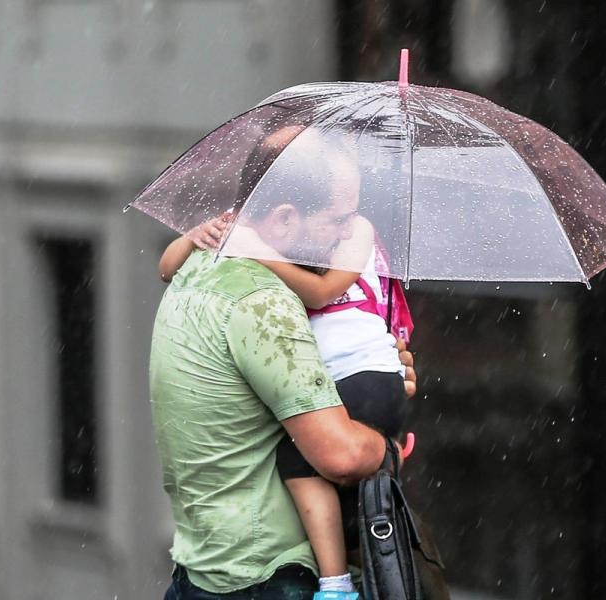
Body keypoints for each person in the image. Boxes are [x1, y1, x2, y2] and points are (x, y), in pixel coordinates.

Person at [150, 133, 415, 600]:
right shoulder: (264, 302)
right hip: (268, 576)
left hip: (202, 568)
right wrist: (387, 452)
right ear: (285, 218)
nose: (345, 233)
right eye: (337, 220)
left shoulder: (198, 272)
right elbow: (341, 455)